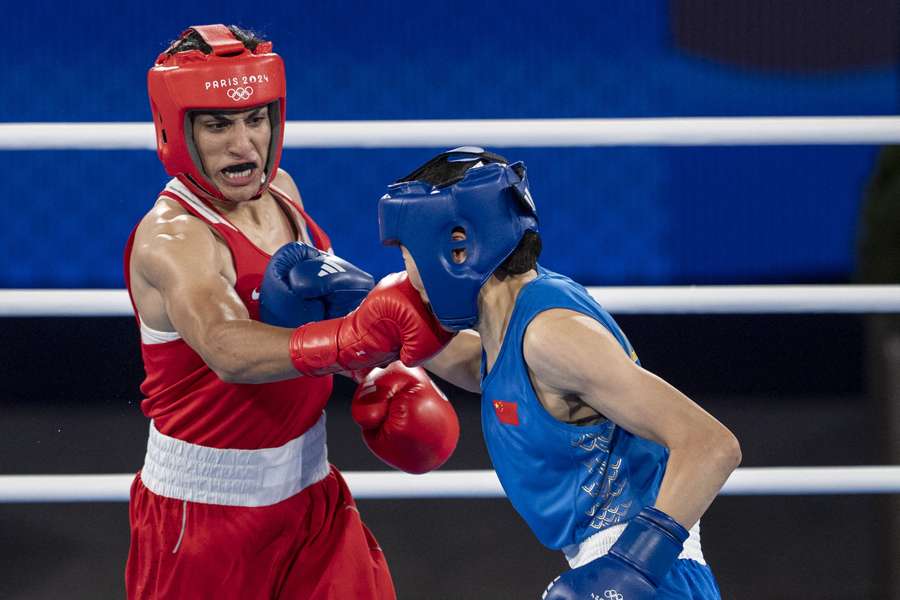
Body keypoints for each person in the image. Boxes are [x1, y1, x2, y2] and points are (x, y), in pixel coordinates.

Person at [124, 24, 458, 599]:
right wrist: (356, 339)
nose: (244, 144)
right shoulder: (173, 237)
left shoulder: (282, 192)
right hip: (202, 520)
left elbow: (323, 311)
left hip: (312, 497)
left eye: (256, 118)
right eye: (218, 124)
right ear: (176, 130)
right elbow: (228, 348)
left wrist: (384, 369)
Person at [376, 147, 742, 599]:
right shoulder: (512, 320)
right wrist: (360, 307)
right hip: (619, 565)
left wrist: (633, 567)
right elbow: (488, 372)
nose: (407, 276)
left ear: (457, 246)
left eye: (408, 254)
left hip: (650, 570)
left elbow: (711, 445)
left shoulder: (552, 336)